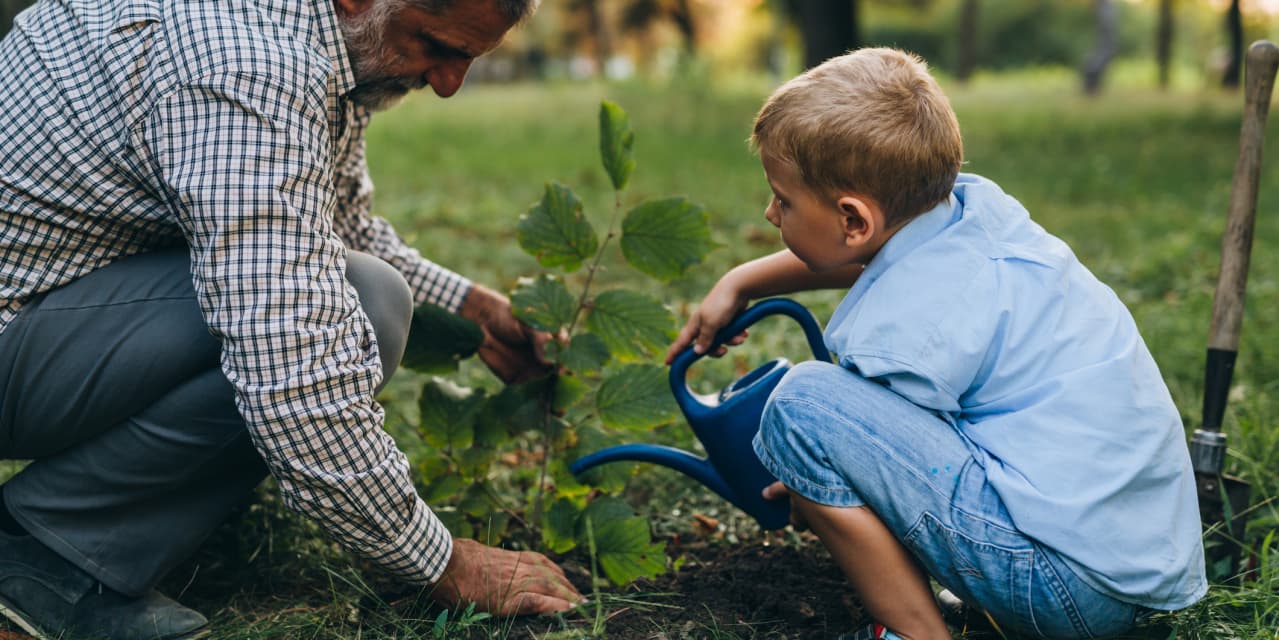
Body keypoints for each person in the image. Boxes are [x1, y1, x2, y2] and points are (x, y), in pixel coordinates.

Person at [0, 0, 584, 637]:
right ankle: (43, 557)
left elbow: (330, 227)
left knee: (365, 294)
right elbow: (291, 362)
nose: (448, 83)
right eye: (437, 46)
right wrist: (442, 562)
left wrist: (475, 311)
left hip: (44, 308)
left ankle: (65, 528)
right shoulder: (246, 64)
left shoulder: (329, 41)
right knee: (353, 305)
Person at [666, 48, 1206, 639]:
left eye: (784, 199)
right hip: (1136, 574)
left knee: (801, 406)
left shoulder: (909, 335)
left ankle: (917, 634)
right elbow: (869, 256)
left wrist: (807, 484)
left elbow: (870, 472)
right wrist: (743, 280)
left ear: (853, 221)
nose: (771, 212)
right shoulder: (974, 217)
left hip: (1061, 589)